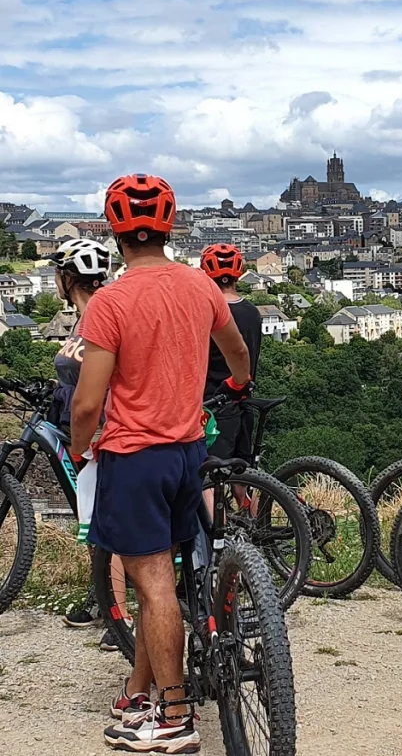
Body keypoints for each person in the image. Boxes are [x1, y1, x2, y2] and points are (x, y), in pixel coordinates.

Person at [70, 173, 252, 754]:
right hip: (188, 451)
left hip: (134, 454)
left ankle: (174, 715)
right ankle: (142, 695)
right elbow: (238, 356)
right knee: (164, 586)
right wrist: (240, 385)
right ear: (170, 228)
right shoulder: (200, 287)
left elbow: (88, 402)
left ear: (114, 231)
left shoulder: (110, 302)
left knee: (152, 586)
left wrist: (78, 449)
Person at [50, 239, 126, 652]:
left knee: (104, 528)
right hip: (95, 426)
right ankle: (105, 602)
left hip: (102, 434)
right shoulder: (85, 318)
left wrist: (83, 443)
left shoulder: (98, 317)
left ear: (67, 278)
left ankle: (120, 621)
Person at [201, 243, 262, 463]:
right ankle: (250, 499)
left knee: (206, 472)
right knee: (243, 474)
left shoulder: (207, 313)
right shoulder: (253, 313)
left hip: (211, 406)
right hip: (245, 401)